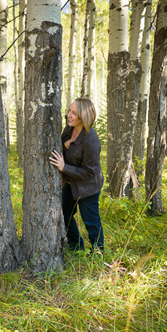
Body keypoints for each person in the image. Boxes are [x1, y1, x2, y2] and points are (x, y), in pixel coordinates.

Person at [49, 97, 105, 253]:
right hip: (71, 184)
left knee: (91, 222)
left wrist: (63, 167)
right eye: (69, 111)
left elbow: (89, 172)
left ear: (84, 116)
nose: (69, 115)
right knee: (64, 215)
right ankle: (76, 246)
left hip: (88, 188)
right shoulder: (69, 129)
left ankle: (98, 253)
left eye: (74, 113)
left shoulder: (91, 140)